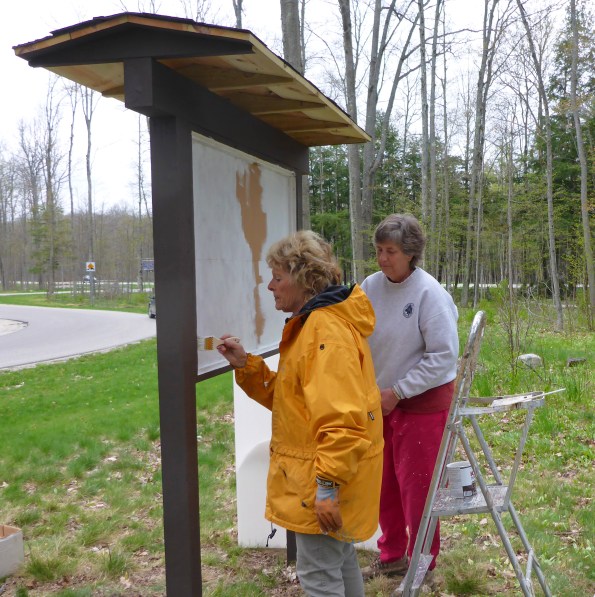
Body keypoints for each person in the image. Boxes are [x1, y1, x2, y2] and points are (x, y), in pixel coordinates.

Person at [217, 230, 384, 597]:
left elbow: (342, 421)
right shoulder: (315, 324)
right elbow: (293, 400)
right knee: (339, 562)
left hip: (321, 480)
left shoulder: (323, 332)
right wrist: (247, 365)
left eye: (278, 277)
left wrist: (327, 487)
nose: (270, 286)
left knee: (319, 576)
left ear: (304, 278)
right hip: (322, 475)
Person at [360, 214, 459, 582]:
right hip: (380, 401)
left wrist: (399, 391)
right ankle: (391, 556)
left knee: (417, 487)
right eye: (379, 250)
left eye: (391, 252)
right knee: (382, 483)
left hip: (422, 404)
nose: (383, 258)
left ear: (411, 253)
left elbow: (443, 356)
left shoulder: (429, 294)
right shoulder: (369, 287)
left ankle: (423, 566)